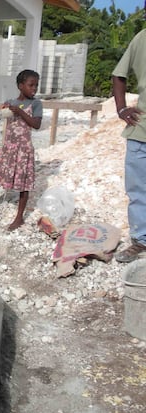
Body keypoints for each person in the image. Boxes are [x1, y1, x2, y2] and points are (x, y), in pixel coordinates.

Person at [0, 69, 42, 231]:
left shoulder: (36, 104)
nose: (34, 89)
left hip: (24, 150)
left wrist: (20, 112)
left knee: (24, 184)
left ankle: (19, 217)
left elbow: (36, 124)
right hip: (8, 149)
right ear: (20, 86)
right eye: (31, 85)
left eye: (36, 85)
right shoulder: (10, 102)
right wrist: (0, 112)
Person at [112, 29, 146, 262]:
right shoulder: (142, 38)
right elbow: (118, 75)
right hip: (140, 130)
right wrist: (121, 108)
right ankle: (141, 240)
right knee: (137, 191)